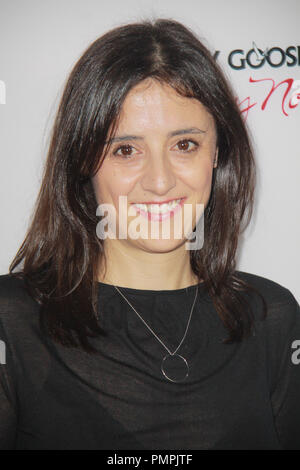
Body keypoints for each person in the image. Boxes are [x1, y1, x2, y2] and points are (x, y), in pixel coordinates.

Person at [0, 18, 299, 450]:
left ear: (218, 152)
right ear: (83, 160)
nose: (160, 182)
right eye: (125, 150)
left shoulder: (273, 317)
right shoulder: (13, 325)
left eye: (185, 145)